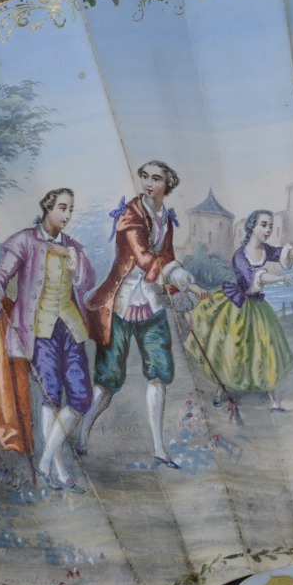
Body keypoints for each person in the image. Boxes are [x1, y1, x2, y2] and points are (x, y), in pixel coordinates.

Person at [77, 161, 207, 469]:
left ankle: (160, 448)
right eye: (145, 177)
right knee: (108, 382)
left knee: (159, 375)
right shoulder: (129, 215)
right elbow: (145, 257)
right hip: (121, 303)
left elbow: (167, 257)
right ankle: (83, 434)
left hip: (152, 302)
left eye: (156, 178)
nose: (149, 183)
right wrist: (185, 280)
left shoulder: (166, 219)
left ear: (167, 184)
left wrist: (180, 298)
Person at [0, 188, 95, 493]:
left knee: (81, 399)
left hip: (71, 328)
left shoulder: (72, 247)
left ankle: (44, 461)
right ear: (48, 208)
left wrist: (74, 260)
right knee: (50, 397)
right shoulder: (24, 241)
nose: (67, 215)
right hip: (39, 330)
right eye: (62, 208)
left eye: (71, 209)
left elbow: (87, 281)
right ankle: (60, 470)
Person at [183, 210, 293, 410]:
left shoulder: (265, 250)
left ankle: (272, 397)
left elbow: (286, 253)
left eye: (271, 226)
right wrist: (281, 278)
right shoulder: (240, 256)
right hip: (236, 303)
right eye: (264, 225)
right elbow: (255, 277)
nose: (268, 230)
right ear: (252, 227)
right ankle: (221, 389)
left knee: (267, 346)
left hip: (256, 304)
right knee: (230, 347)